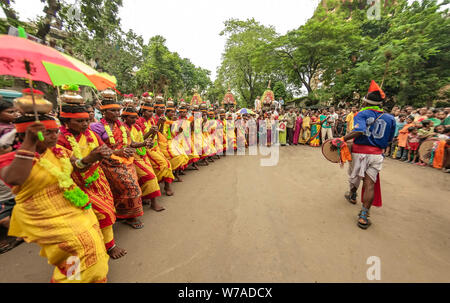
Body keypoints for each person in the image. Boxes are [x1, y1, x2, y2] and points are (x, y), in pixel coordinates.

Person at [0, 115, 109, 282]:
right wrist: (29, 142)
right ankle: (72, 279)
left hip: (70, 204)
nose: (54, 136)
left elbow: (76, 166)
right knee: (77, 247)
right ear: (25, 135)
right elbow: (13, 179)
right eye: (47, 132)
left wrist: (90, 158)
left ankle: (92, 277)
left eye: (56, 131)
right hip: (41, 214)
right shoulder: (12, 158)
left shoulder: (58, 150)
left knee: (94, 241)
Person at [57, 102, 127, 260]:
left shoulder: (91, 134)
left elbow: (106, 151)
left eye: (86, 120)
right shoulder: (60, 140)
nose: (85, 124)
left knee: (106, 210)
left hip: (98, 179)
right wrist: (88, 159)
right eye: (79, 121)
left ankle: (105, 242)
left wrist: (119, 152)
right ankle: (106, 246)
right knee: (101, 213)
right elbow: (74, 166)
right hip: (76, 184)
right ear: (66, 122)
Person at [335, 80, 395, 230]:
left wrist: (343, 138)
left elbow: (359, 130)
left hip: (360, 151)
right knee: (370, 183)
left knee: (354, 177)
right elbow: (389, 139)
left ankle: (353, 195)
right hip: (376, 155)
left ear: (366, 102)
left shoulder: (362, 114)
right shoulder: (390, 118)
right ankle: (363, 215)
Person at [90, 90, 144, 229]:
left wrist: (138, 146)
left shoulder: (122, 126)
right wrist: (117, 152)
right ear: (104, 112)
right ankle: (126, 216)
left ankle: (127, 215)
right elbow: (98, 149)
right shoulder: (97, 127)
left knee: (133, 187)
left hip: (127, 162)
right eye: (113, 111)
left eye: (118, 110)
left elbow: (129, 143)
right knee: (131, 188)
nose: (117, 114)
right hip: (108, 163)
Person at [122, 108, 165, 212]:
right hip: (131, 157)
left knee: (151, 175)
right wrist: (145, 141)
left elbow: (142, 139)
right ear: (124, 117)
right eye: (132, 117)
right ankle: (153, 203)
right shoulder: (123, 128)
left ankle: (148, 200)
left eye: (136, 117)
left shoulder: (136, 126)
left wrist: (148, 139)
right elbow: (131, 144)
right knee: (150, 177)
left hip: (142, 154)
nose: (135, 119)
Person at [136, 93, 175, 196]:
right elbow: (142, 139)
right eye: (148, 111)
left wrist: (160, 123)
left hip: (156, 146)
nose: (150, 113)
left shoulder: (153, 119)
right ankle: (164, 186)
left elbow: (159, 132)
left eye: (151, 111)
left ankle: (164, 185)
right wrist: (150, 131)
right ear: (143, 112)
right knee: (164, 164)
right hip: (147, 148)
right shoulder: (139, 121)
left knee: (166, 163)